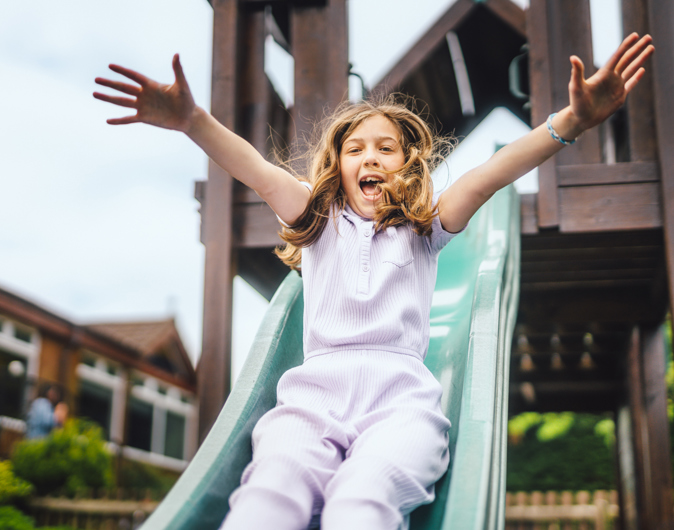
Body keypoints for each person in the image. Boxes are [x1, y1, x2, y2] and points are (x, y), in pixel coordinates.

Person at [94, 33, 653, 530]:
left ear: (408, 165)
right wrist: (193, 120)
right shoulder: (316, 223)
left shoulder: (424, 228)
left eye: (387, 149)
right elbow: (257, 171)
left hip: (400, 405)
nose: (372, 158)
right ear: (337, 167)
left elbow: (487, 178)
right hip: (312, 404)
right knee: (268, 498)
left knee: (359, 504)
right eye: (356, 149)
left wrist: (570, 123)